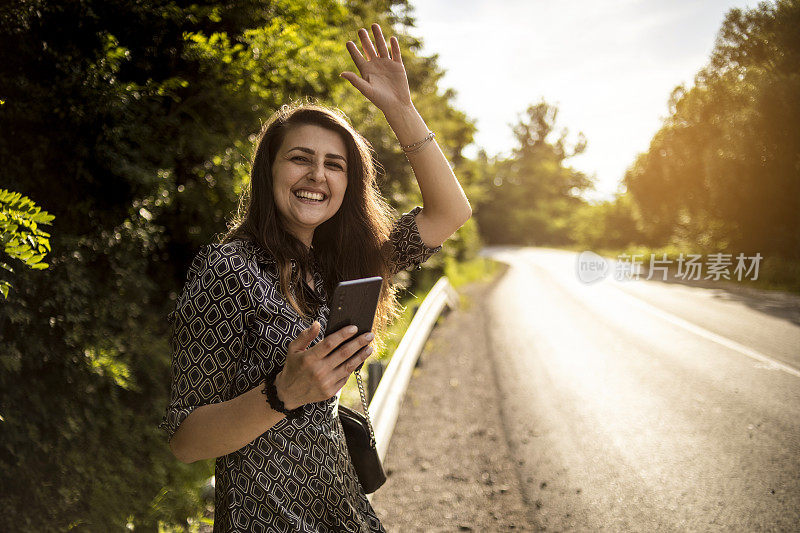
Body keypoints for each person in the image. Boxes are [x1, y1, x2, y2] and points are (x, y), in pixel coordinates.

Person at [158, 22, 472, 532]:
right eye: (300, 159)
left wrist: (400, 109)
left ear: (350, 184)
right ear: (269, 171)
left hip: (344, 511)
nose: (317, 176)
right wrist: (283, 392)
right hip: (266, 519)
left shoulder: (340, 263)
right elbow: (185, 441)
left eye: (335, 165)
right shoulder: (226, 269)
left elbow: (450, 211)